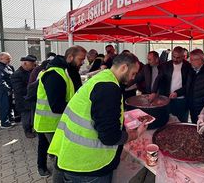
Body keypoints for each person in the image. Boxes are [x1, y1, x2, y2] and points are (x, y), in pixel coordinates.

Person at [48, 53, 147, 183]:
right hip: (88, 167)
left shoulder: (103, 77)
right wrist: (135, 134)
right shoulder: (108, 88)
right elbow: (109, 137)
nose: (133, 78)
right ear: (124, 67)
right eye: (133, 73)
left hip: (74, 157)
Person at [34, 45, 86, 178]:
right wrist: (79, 107)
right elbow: (56, 106)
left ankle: (43, 166)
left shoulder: (65, 70)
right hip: (50, 123)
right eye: (81, 59)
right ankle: (47, 171)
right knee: (60, 157)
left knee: (49, 148)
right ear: (70, 57)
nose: (83, 62)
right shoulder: (55, 74)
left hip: (54, 122)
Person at [151, 46, 191, 122]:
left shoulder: (188, 67)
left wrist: (177, 93)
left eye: (178, 57)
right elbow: (158, 79)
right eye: (173, 57)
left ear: (183, 56)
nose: (175, 59)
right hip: (166, 99)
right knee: (166, 121)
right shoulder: (165, 65)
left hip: (181, 100)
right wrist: (154, 92)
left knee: (182, 122)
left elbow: (189, 85)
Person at [11, 55, 37, 138]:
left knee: (31, 115)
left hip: (30, 98)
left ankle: (32, 129)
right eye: (32, 64)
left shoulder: (31, 71)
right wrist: (33, 88)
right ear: (25, 63)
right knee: (26, 117)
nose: (34, 66)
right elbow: (19, 89)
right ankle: (27, 131)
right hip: (23, 100)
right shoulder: (17, 74)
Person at [0, 52, 14, 128]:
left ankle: (8, 119)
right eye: (7, 59)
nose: (9, 60)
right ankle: (4, 123)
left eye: (10, 58)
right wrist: (8, 89)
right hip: (1, 90)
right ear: (0, 59)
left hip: (6, 90)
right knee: (4, 106)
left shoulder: (6, 66)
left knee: (8, 105)